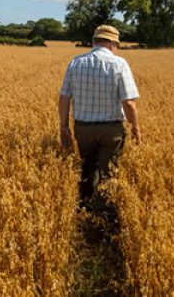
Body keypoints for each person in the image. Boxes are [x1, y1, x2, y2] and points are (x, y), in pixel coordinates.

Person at [59, 25, 140, 208]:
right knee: (109, 172)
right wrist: (135, 128)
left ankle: (85, 208)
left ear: (94, 42)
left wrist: (63, 127)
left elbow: (64, 97)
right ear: (112, 43)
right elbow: (128, 103)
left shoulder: (75, 63)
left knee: (88, 167)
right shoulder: (119, 64)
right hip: (111, 130)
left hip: (83, 128)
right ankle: (107, 212)